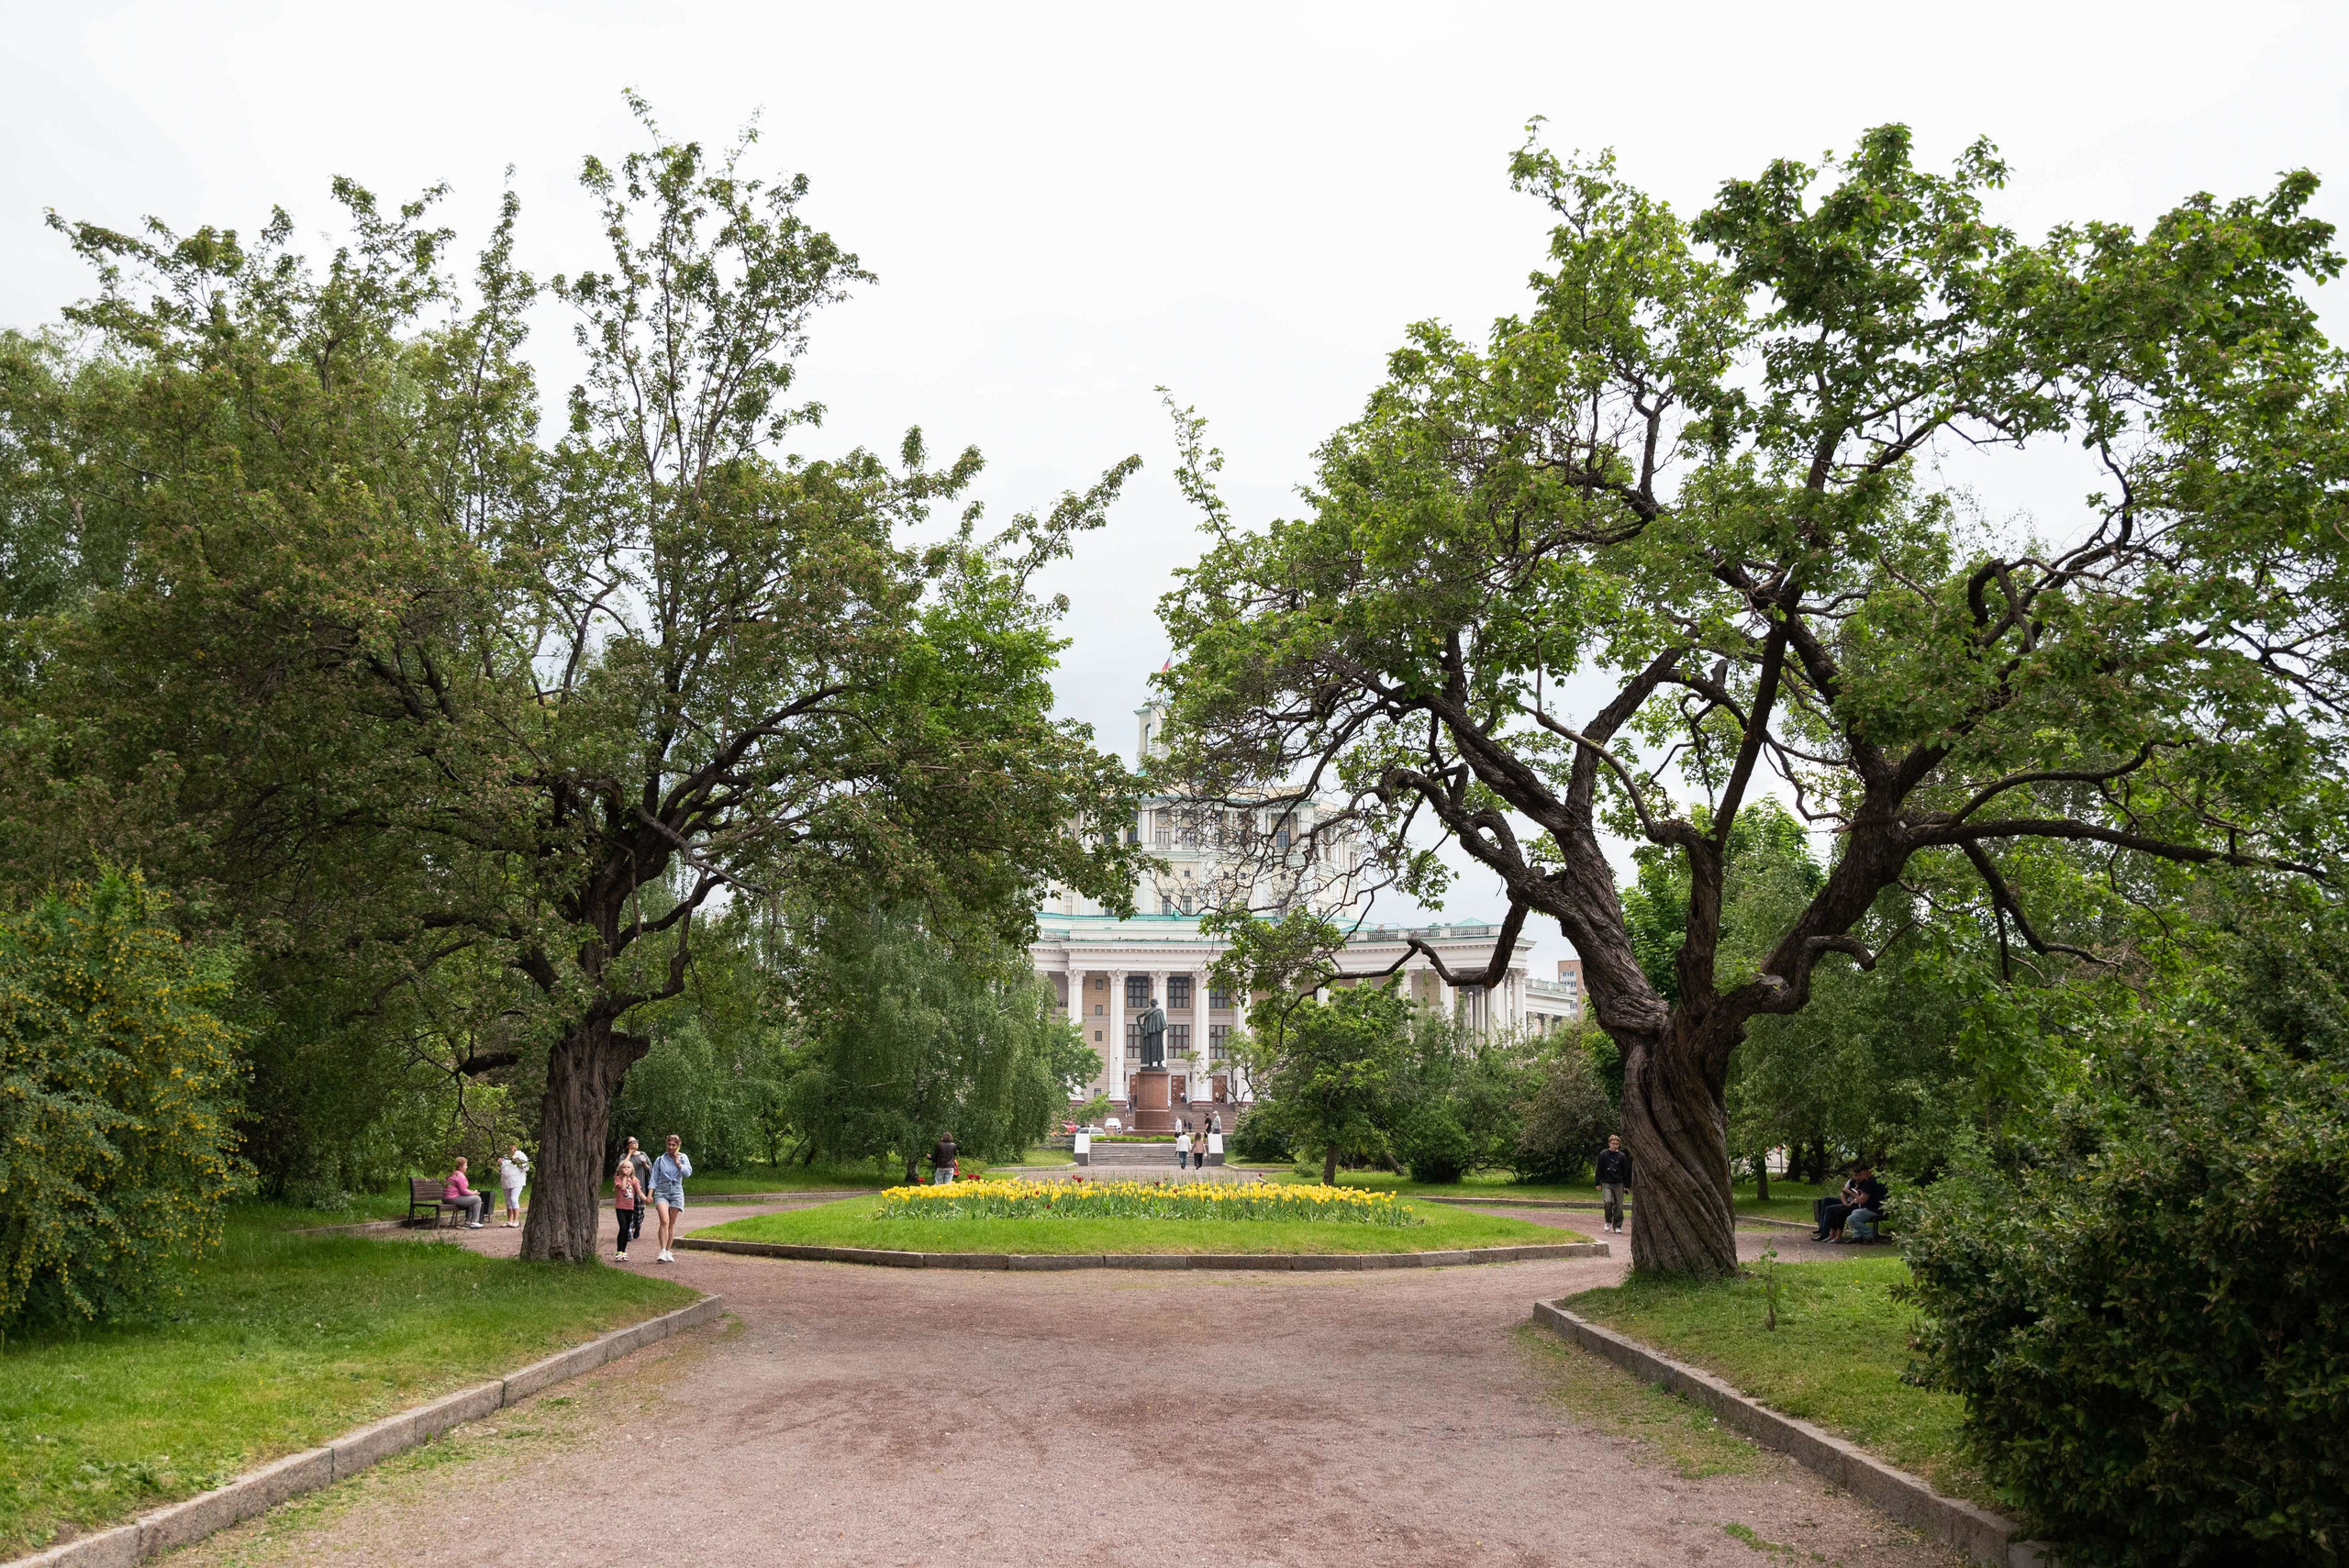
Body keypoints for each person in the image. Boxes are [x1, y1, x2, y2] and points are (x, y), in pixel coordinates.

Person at [650, 1134, 692, 1262]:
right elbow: (653, 1178)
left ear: (678, 1146)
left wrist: (678, 1163)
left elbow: (688, 1173)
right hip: (662, 1191)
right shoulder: (660, 1160)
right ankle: (662, 1251)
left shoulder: (683, 1157)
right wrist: (649, 1194)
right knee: (664, 1220)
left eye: (674, 1145)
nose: (671, 1147)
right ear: (666, 1144)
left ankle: (668, 1251)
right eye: (669, 1144)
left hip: (677, 1191)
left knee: (671, 1223)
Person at [1839, 1166, 1889, 1243]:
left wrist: (1855, 1196)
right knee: (1855, 1211)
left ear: (1867, 1172)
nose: (1861, 1177)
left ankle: (1869, 1234)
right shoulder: (1880, 1180)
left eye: (1862, 1174)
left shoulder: (1869, 1182)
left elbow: (1862, 1200)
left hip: (1874, 1209)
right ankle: (1857, 1236)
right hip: (1883, 1207)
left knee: (1851, 1219)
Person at [1595, 1136, 1631, 1234]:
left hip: (1619, 1183)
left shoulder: (1622, 1156)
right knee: (1608, 1201)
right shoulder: (1603, 1154)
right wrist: (1597, 1182)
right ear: (1609, 1144)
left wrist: (1627, 1185)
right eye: (1613, 1143)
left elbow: (1626, 1171)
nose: (1615, 1146)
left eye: (1617, 1144)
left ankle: (1617, 1226)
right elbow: (1599, 1169)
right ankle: (1608, 1221)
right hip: (1606, 1182)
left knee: (1619, 1205)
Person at [613, 1156, 644, 1262]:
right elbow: (622, 1188)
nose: (626, 1169)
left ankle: (623, 1251)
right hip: (620, 1207)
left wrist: (646, 1199)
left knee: (627, 1230)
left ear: (632, 1170)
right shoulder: (618, 1178)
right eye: (624, 1167)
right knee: (622, 1228)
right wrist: (625, 1177)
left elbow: (639, 1192)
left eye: (629, 1167)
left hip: (630, 1208)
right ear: (620, 1169)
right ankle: (619, 1251)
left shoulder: (635, 1180)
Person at [442, 1157, 485, 1229]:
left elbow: (461, 1190)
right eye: (465, 1165)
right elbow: (463, 1191)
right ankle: (474, 1222)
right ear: (460, 1166)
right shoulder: (459, 1175)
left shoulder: (452, 1173)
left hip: (446, 1197)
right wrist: (473, 1193)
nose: (467, 1167)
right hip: (452, 1198)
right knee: (476, 1199)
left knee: (471, 1199)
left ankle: (468, 1222)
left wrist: (470, 1192)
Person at [497, 1143, 530, 1228]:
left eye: (512, 1146)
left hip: (517, 1181)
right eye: (509, 1145)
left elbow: (526, 1167)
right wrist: (500, 1164)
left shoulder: (521, 1155)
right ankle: (510, 1220)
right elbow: (502, 1169)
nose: (510, 1147)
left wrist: (517, 1162)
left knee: (513, 1199)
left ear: (516, 1146)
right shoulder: (505, 1156)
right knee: (508, 1201)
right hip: (506, 1181)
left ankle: (516, 1220)